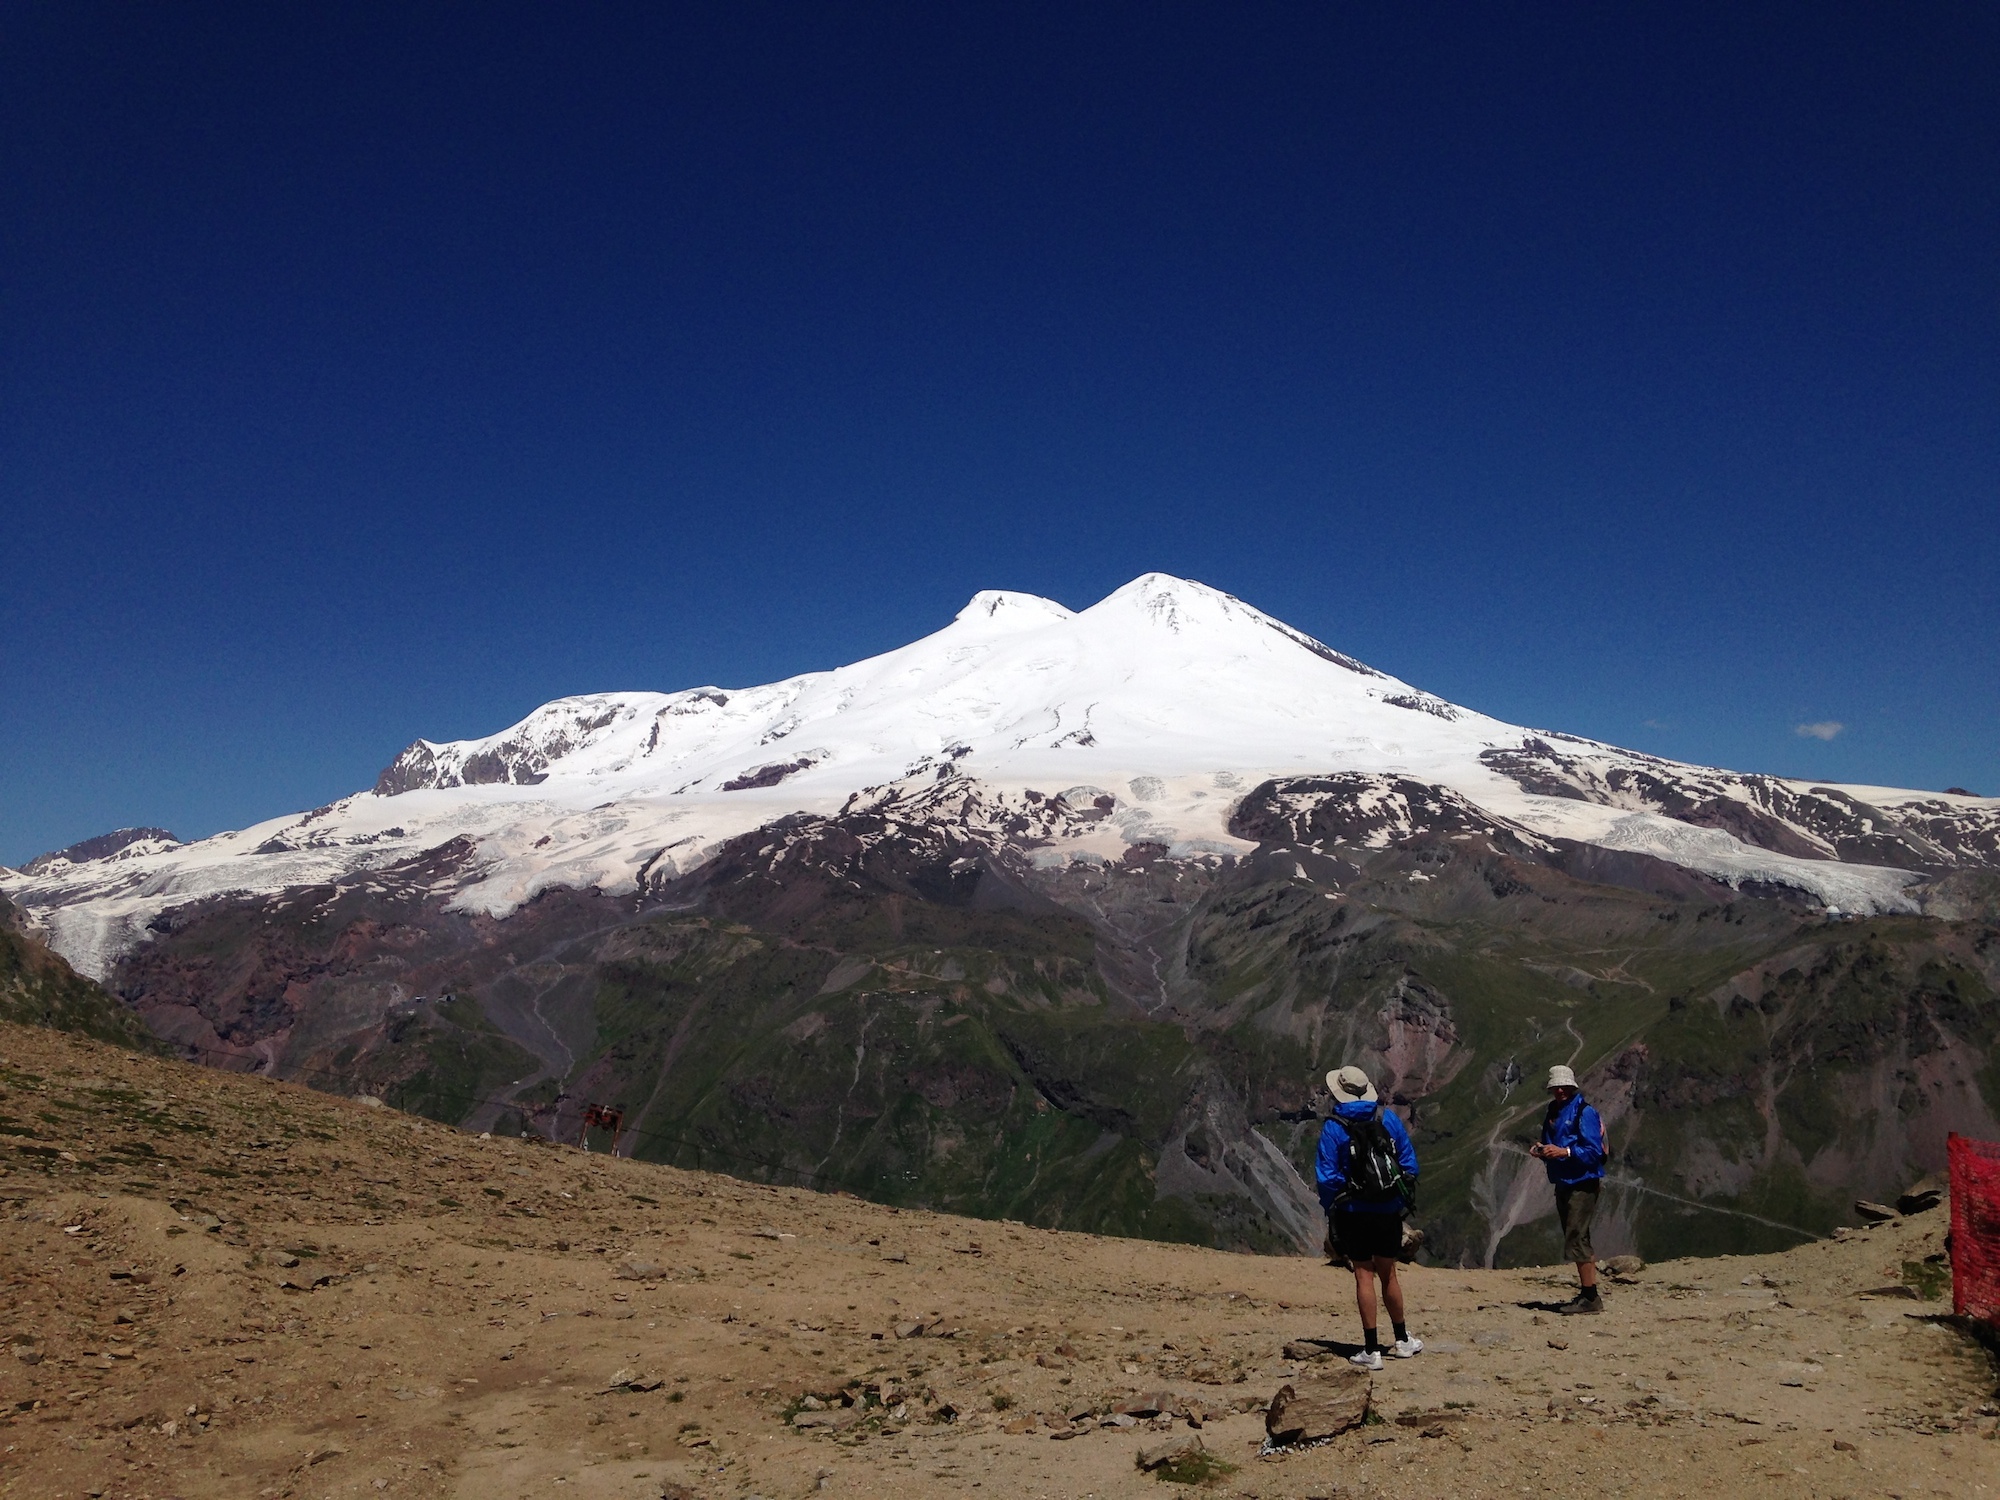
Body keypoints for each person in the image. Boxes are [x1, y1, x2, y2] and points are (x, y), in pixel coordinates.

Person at [1314, 1065, 1421, 1370]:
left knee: (1363, 1275)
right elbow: (1409, 1164)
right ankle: (1402, 1341)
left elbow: (1327, 1175)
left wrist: (1336, 1206)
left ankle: (1371, 1349)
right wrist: (1394, 1198)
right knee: (1389, 1273)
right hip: (1387, 1210)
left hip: (1353, 1211)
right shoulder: (1386, 1118)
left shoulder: (1335, 1126)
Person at [1530, 1064, 1608, 1314]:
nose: (1560, 1090)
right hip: (1564, 1181)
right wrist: (1542, 1150)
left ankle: (1590, 1297)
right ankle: (1587, 1294)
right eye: (1556, 1087)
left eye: (1564, 1086)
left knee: (1577, 1236)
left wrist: (1564, 1152)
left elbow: (1593, 1152)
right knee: (1574, 1235)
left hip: (1582, 1182)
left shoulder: (1584, 1113)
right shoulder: (1554, 1111)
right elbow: (1553, 1143)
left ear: (1572, 1087)